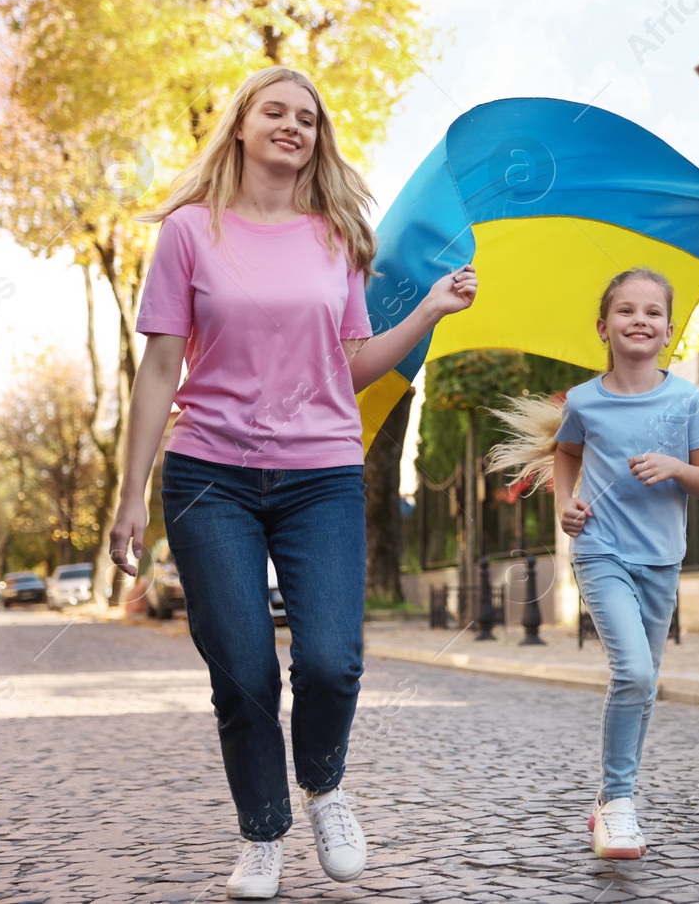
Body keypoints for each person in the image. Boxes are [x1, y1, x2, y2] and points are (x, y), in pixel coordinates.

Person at [109, 66, 478, 899]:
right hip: (211, 475)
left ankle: (325, 787)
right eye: (274, 111)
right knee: (242, 668)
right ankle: (263, 831)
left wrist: (423, 311)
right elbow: (160, 364)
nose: (292, 126)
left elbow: (348, 367)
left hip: (321, 474)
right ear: (240, 126)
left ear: (318, 138)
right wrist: (130, 494)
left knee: (330, 660)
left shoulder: (334, 237)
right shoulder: (188, 234)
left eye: (307, 118)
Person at [487, 267, 699, 860]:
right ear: (603, 327)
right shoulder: (586, 401)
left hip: (662, 557)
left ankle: (610, 801)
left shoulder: (687, 397)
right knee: (635, 674)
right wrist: (567, 507)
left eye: (651, 312)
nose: (639, 320)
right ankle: (618, 805)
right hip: (600, 550)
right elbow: (565, 454)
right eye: (626, 311)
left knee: (644, 685)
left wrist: (673, 468)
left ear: (669, 329)